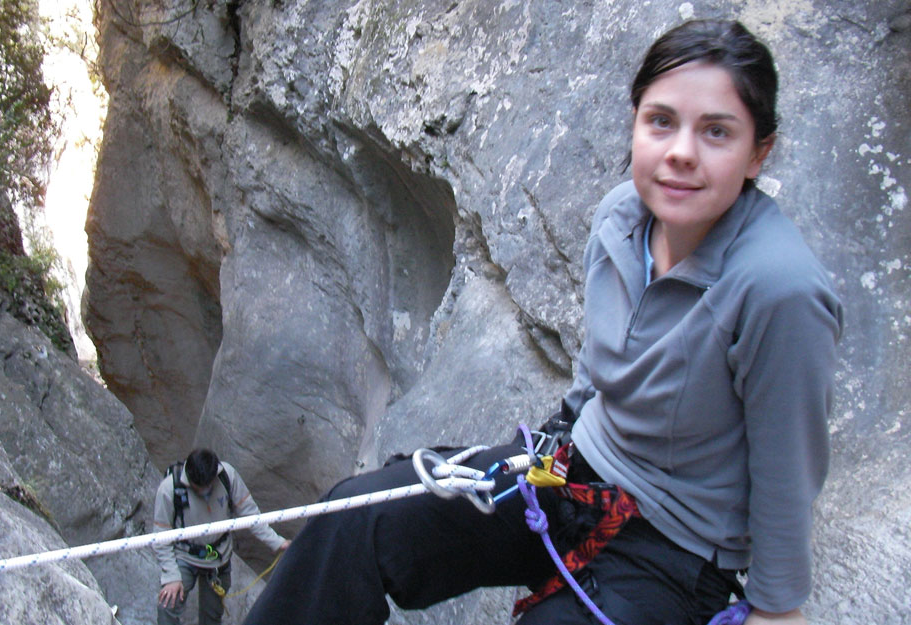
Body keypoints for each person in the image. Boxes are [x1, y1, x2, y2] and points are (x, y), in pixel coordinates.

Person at [243, 19, 842, 625]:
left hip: (674, 547)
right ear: (636, 123)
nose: (681, 151)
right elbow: (598, 376)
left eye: (717, 132)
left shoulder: (778, 289)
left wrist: (774, 608)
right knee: (353, 517)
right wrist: (549, 448)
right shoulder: (621, 219)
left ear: (758, 153)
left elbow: (787, 468)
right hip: (572, 474)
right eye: (661, 121)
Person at [153, 448, 290, 625]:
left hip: (218, 557)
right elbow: (161, 535)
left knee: (212, 616)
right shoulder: (169, 489)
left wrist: (277, 542)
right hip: (184, 556)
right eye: (199, 488)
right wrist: (171, 576)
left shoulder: (227, 476)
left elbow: (250, 514)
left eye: (209, 486)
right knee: (167, 606)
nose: (205, 492)